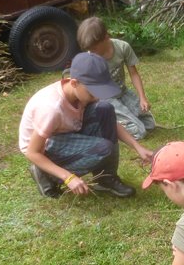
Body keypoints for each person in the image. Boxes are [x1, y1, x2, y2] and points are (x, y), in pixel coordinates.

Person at [19, 52, 153, 199]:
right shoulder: (52, 109)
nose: (96, 97)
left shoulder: (81, 93)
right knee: (103, 148)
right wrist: (68, 177)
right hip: (43, 148)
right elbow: (32, 152)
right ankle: (46, 173)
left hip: (65, 130)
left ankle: (106, 179)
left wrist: (137, 147)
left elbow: (111, 123)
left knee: (105, 108)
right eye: (92, 93)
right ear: (74, 83)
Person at [76, 17, 155, 140]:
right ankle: (107, 124)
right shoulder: (89, 60)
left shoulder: (122, 47)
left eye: (94, 48)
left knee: (150, 124)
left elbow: (134, 74)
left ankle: (120, 119)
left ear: (106, 37)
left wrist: (142, 98)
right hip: (106, 99)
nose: (91, 52)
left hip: (122, 92)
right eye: (89, 49)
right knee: (139, 132)